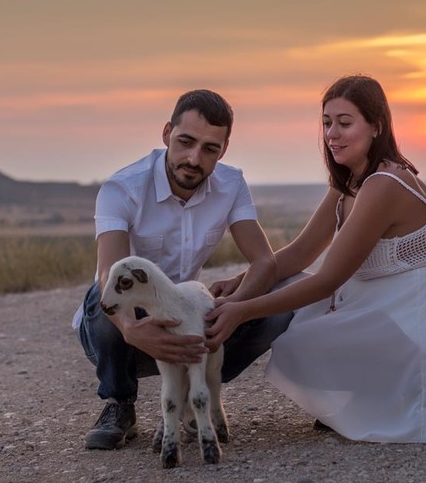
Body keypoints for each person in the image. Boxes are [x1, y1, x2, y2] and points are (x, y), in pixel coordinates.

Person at [206, 75, 426, 443]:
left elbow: (328, 279)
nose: (332, 134)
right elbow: (299, 252)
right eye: (327, 123)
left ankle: (393, 394)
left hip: (421, 316)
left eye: (345, 123)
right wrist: (241, 283)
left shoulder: (385, 184)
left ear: (376, 126)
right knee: (282, 289)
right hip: (390, 304)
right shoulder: (351, 181)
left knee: (299, 336)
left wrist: (241, 310)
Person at [74, 89, 289, 450]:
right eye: (185, 141)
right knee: (104, 292)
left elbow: (264, 262)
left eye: (210, 149)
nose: (194, 158)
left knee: (277, 302)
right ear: (166, 134)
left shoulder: (231, 184)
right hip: (128, 334)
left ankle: (193, 398)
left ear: (224, 149)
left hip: (187, 321)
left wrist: (236, 309)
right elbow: (107, 271)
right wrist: (130, 328)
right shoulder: (121, 188)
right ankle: (118, 404)